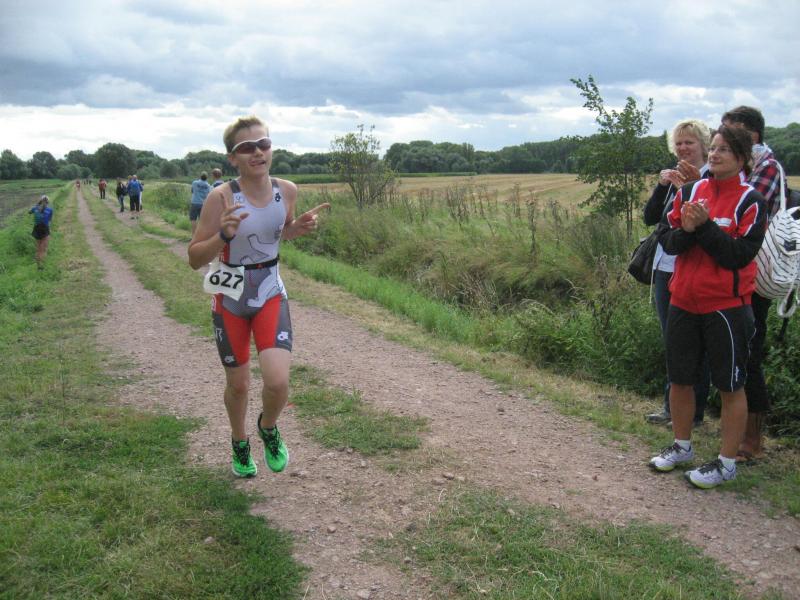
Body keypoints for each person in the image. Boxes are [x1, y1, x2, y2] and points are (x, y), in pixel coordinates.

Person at [187, 115, 329, 478]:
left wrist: (296, 228)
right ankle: (239, 442)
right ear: (232, 158)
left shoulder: (288, 190)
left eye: (263, 144)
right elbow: (194, 258)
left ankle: (268, 427)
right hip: (230, 297)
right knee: (238, 384)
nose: (257, 152)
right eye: (246, 147)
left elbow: (277, 234)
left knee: (278, 382)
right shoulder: (221, 197)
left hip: (269, 292)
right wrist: (223, 235)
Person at [649, 125, 766, 489]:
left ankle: (726, 463)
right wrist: (687, 230)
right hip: (683, 300)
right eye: (713, 148)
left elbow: (738, 256)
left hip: (726, 308)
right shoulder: (689, 191)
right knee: (681, 379)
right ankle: (682, 446)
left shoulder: (751, 201)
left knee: (730, 386)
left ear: (742, 158)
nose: (714, 155)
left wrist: (703, 227)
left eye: (724, 150)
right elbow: (667, 240)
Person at [721, 107, 785, 464]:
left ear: (753, 135)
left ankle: (752, 438)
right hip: (733, 272)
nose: (726, 138)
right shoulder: (744, 167)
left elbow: (742, 207)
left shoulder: (767, 168)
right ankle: (735, 429)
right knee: (732, 350)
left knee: (750, 351)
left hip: (756, 275)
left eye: (733, 132)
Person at [643, 120, 712, 428]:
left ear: (704, 146)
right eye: (679, 143)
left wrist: (690, 187)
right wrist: (662, 186)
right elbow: (650, 218)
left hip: (692, 269)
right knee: (672, 340)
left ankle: (693, 413)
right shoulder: (673, 178)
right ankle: (672, 408)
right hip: (664, 268)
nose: (684, 148)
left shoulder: (710, 179)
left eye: (690, 143)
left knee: (694, 343)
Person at [29, 195, 53, 268]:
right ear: (48, 202)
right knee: (44, 248)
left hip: (36, 228)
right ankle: (41, 265)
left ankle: (38, 263)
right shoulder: (50, 210)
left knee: (38, 247)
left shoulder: (35, 208)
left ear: (40, 201)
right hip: (45, 228)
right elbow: (49, 220)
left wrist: (35, 206)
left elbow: (29, 212)